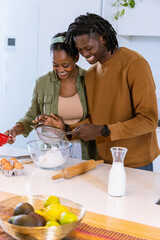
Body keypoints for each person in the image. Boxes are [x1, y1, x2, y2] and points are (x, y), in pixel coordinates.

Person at [45, 13, 160, 170]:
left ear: (103, 38)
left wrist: (103, 130)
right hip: (102, 163)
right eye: (80, 50)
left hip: (136, 164)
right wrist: (66, 129)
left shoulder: (135, 65)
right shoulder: (91, 74)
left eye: (88, 48)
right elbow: (96, 121)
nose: (85, 54)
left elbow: (148, 120)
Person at [4, 32, 96, 160]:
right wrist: (16, 129)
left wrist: (65, 128)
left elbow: (97, 120)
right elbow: (31, 115)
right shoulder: (42, 83)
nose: (60, 70)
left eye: (65, 65)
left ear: (76, 57)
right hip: (51, 151)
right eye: (55, 65)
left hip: (82, 150)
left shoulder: (89, 80)